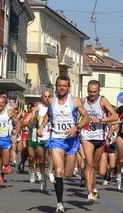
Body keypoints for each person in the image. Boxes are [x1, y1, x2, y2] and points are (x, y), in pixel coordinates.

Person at [37, 75, 90, 213]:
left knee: (68, 173)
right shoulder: (52, 101)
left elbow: (87, 118)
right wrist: (42, 126)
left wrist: (76, 127)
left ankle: (63, 185)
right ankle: (59, 204)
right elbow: (49, 115)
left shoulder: (75, 101)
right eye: (59, 85)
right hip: (56, 138)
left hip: (71, 140)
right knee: (59, 171)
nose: (61, 88)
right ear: (56, 87)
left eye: (64, 86)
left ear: (68, 87)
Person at [80, 80, 118, 204]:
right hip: (87, 136)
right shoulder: (82, 101)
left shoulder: (102, 101)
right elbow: (74, 113)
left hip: (100, 137)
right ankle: (90, 193)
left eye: (94, 92)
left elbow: (115, 116)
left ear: (99, 91)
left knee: (94, 167)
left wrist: (101, 119)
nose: (92, 94)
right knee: (89, 164)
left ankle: (94, 187)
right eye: (90, 92)